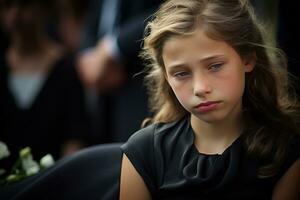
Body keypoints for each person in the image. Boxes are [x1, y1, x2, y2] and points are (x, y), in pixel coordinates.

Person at [119, 0, 300, 199]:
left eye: (215, 66)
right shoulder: (145, 152)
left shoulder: (285, 152)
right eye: (181, 73)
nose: (200, 88)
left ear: (247, 59)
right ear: (166, 77)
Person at [0, 0, 90, 170]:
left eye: (24, 5)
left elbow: (74, 140)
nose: (15, 15)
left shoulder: (66, 70)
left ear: (44, 9)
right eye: (7, 6)